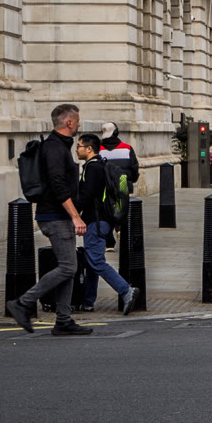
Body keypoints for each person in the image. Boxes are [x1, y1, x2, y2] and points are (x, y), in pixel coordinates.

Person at [7, 103, 92, 336]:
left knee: (68, 268)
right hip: (55, 216)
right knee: (68, 267)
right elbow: (57, 184)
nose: (79, 124)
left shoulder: (59, 145)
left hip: (58, 215)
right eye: (77, 121)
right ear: (69, 122)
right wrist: (75, 216)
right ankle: (23, 302)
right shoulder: (54, 147)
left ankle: (63, 320)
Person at [72, 133, 137, 315]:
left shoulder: (92, 168)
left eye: (79, 146)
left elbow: (85, 196)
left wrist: (72, 213)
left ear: (89, 149)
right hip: (104, 221)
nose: (76, 150)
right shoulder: (100, 164)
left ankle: (126, 290)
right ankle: (88, 301)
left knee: (96, 261)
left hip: (96, 221)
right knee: (91, 260)